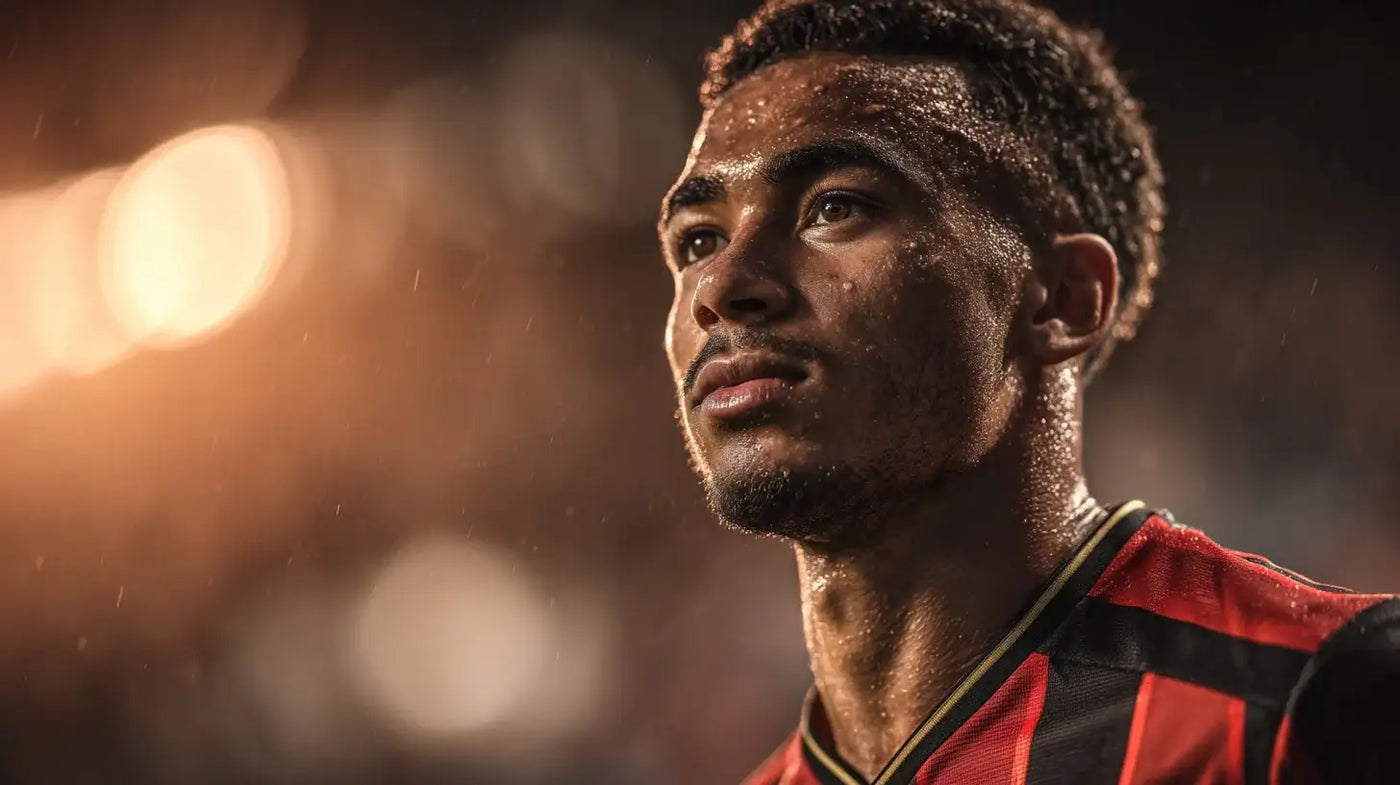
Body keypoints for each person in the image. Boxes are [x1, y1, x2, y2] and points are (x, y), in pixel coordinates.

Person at [655, 1, 1399, 783]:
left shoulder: (1311, 700)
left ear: (1063, 299)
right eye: (699, 240)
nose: (724, 286)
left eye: (836, 206)